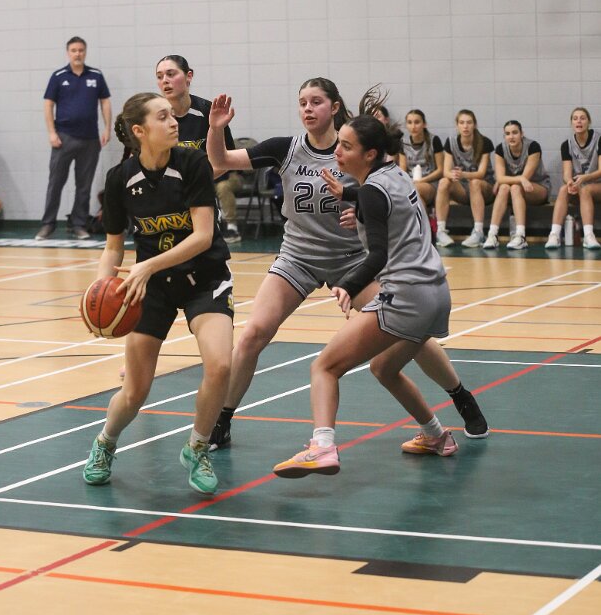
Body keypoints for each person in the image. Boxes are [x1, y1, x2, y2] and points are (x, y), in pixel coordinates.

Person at [207, 79, 488, 451]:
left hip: (352, 259)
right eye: (302, 102)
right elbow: (221, 162)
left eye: (316, 102)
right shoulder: (285, 148)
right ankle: (222, 421)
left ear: (335, 107)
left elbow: (380, 200)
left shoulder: (354, 150)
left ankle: (460, 395)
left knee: (411, 329)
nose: (308, 109)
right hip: (299, 256)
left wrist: (360, 212)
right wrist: (216, 129)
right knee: (253, 333)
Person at [272, 98, 459, 479]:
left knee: (325, 367)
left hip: (405, 294)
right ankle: (436, 436)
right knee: (384, 368)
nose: (337, 152)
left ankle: (322, 447)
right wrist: (348, 194)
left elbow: (377, 255)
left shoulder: (372, 190)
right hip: (437, 291)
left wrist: (348, 284)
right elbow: (376, 198)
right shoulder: (395, 173)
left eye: (345, 146)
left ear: (369, 153)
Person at [83, 93, 234, 496]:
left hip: (205, 276)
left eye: (172, 115)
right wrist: (103, 288)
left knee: (220, 365)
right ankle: (105, 442)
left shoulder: (192, 162)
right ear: (139, 130)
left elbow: (203, 236)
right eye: (162, 117)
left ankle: (197, 447)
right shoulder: (120, 178)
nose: (173, 122)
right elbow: (113, 247)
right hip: (151, 288)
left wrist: (148, 265)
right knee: (135, 391)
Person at [155, 54, 242, 244]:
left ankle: (230, 227)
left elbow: (227, 159)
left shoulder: (208, 112)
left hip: (202, 192)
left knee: (204, 247)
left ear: (189, 76)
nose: (165, 81)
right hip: (166, 197)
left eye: (171, 74)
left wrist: (195, 182)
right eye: (160, 76)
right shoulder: (153, 115)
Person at [36, 37, 112, 240]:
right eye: (73, 50)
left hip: (90, 139)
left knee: (84, 185)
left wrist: (107, 128)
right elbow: (48, 104)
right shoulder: (58, 76)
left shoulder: (96, 75)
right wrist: (52, 132)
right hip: (64, 138)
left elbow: (105, 102)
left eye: (81, 50)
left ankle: (79, 224)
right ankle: (47, 224)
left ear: (85, 52)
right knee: (55, 183)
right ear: (68, 53)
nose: (77, 53)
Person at [483, 121, 551, 251]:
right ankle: (492, 234)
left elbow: (526, 178)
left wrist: (511, 179)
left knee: (514, 187)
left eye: (515, 132)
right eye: (507, 134)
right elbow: (501, 178)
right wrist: (518, 178)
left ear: (521, 134)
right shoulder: (500, 149)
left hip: (537, 187)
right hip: (515, 189)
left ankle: (520, 236)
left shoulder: (533, 147)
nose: (511, 136)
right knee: (504, 188)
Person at [435, 110, 495, 248]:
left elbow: (481, 173)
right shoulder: (451, 142)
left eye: (469, 122)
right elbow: (446, 171)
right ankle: (440, 231)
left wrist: (463, 175)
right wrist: (453, 175)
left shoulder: (484, 142)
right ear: (457, 125)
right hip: (463, 189)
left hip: (485, 188)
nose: (465, 126)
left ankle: (478, 232)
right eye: (462, 123)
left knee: (475, 183)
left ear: (475, 125)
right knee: (443, 182)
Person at [545, 107, 601, 250]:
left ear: (588, 122)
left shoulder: (599, 140)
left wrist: (585, 178)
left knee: (586, 189)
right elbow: (566, 174)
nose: (579, 121)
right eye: (575, 118)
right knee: (564, 189)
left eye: (582, 118)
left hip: (597, 186)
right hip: (581, 187)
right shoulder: (567, 145)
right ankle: (554, 235)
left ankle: (588, 236)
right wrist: (570, 182)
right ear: (571, 123)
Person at [398, 109, 444, 209]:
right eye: (410, 122)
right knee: (414, 196)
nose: (413, 126)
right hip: (411, 183)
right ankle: (424, 218)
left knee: (415, 191)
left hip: (430, 183)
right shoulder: (403, 143)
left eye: (417, 122)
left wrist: (421, 181)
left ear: (424, 124)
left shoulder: (434, 140)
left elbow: (440, 170)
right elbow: (402, 170)